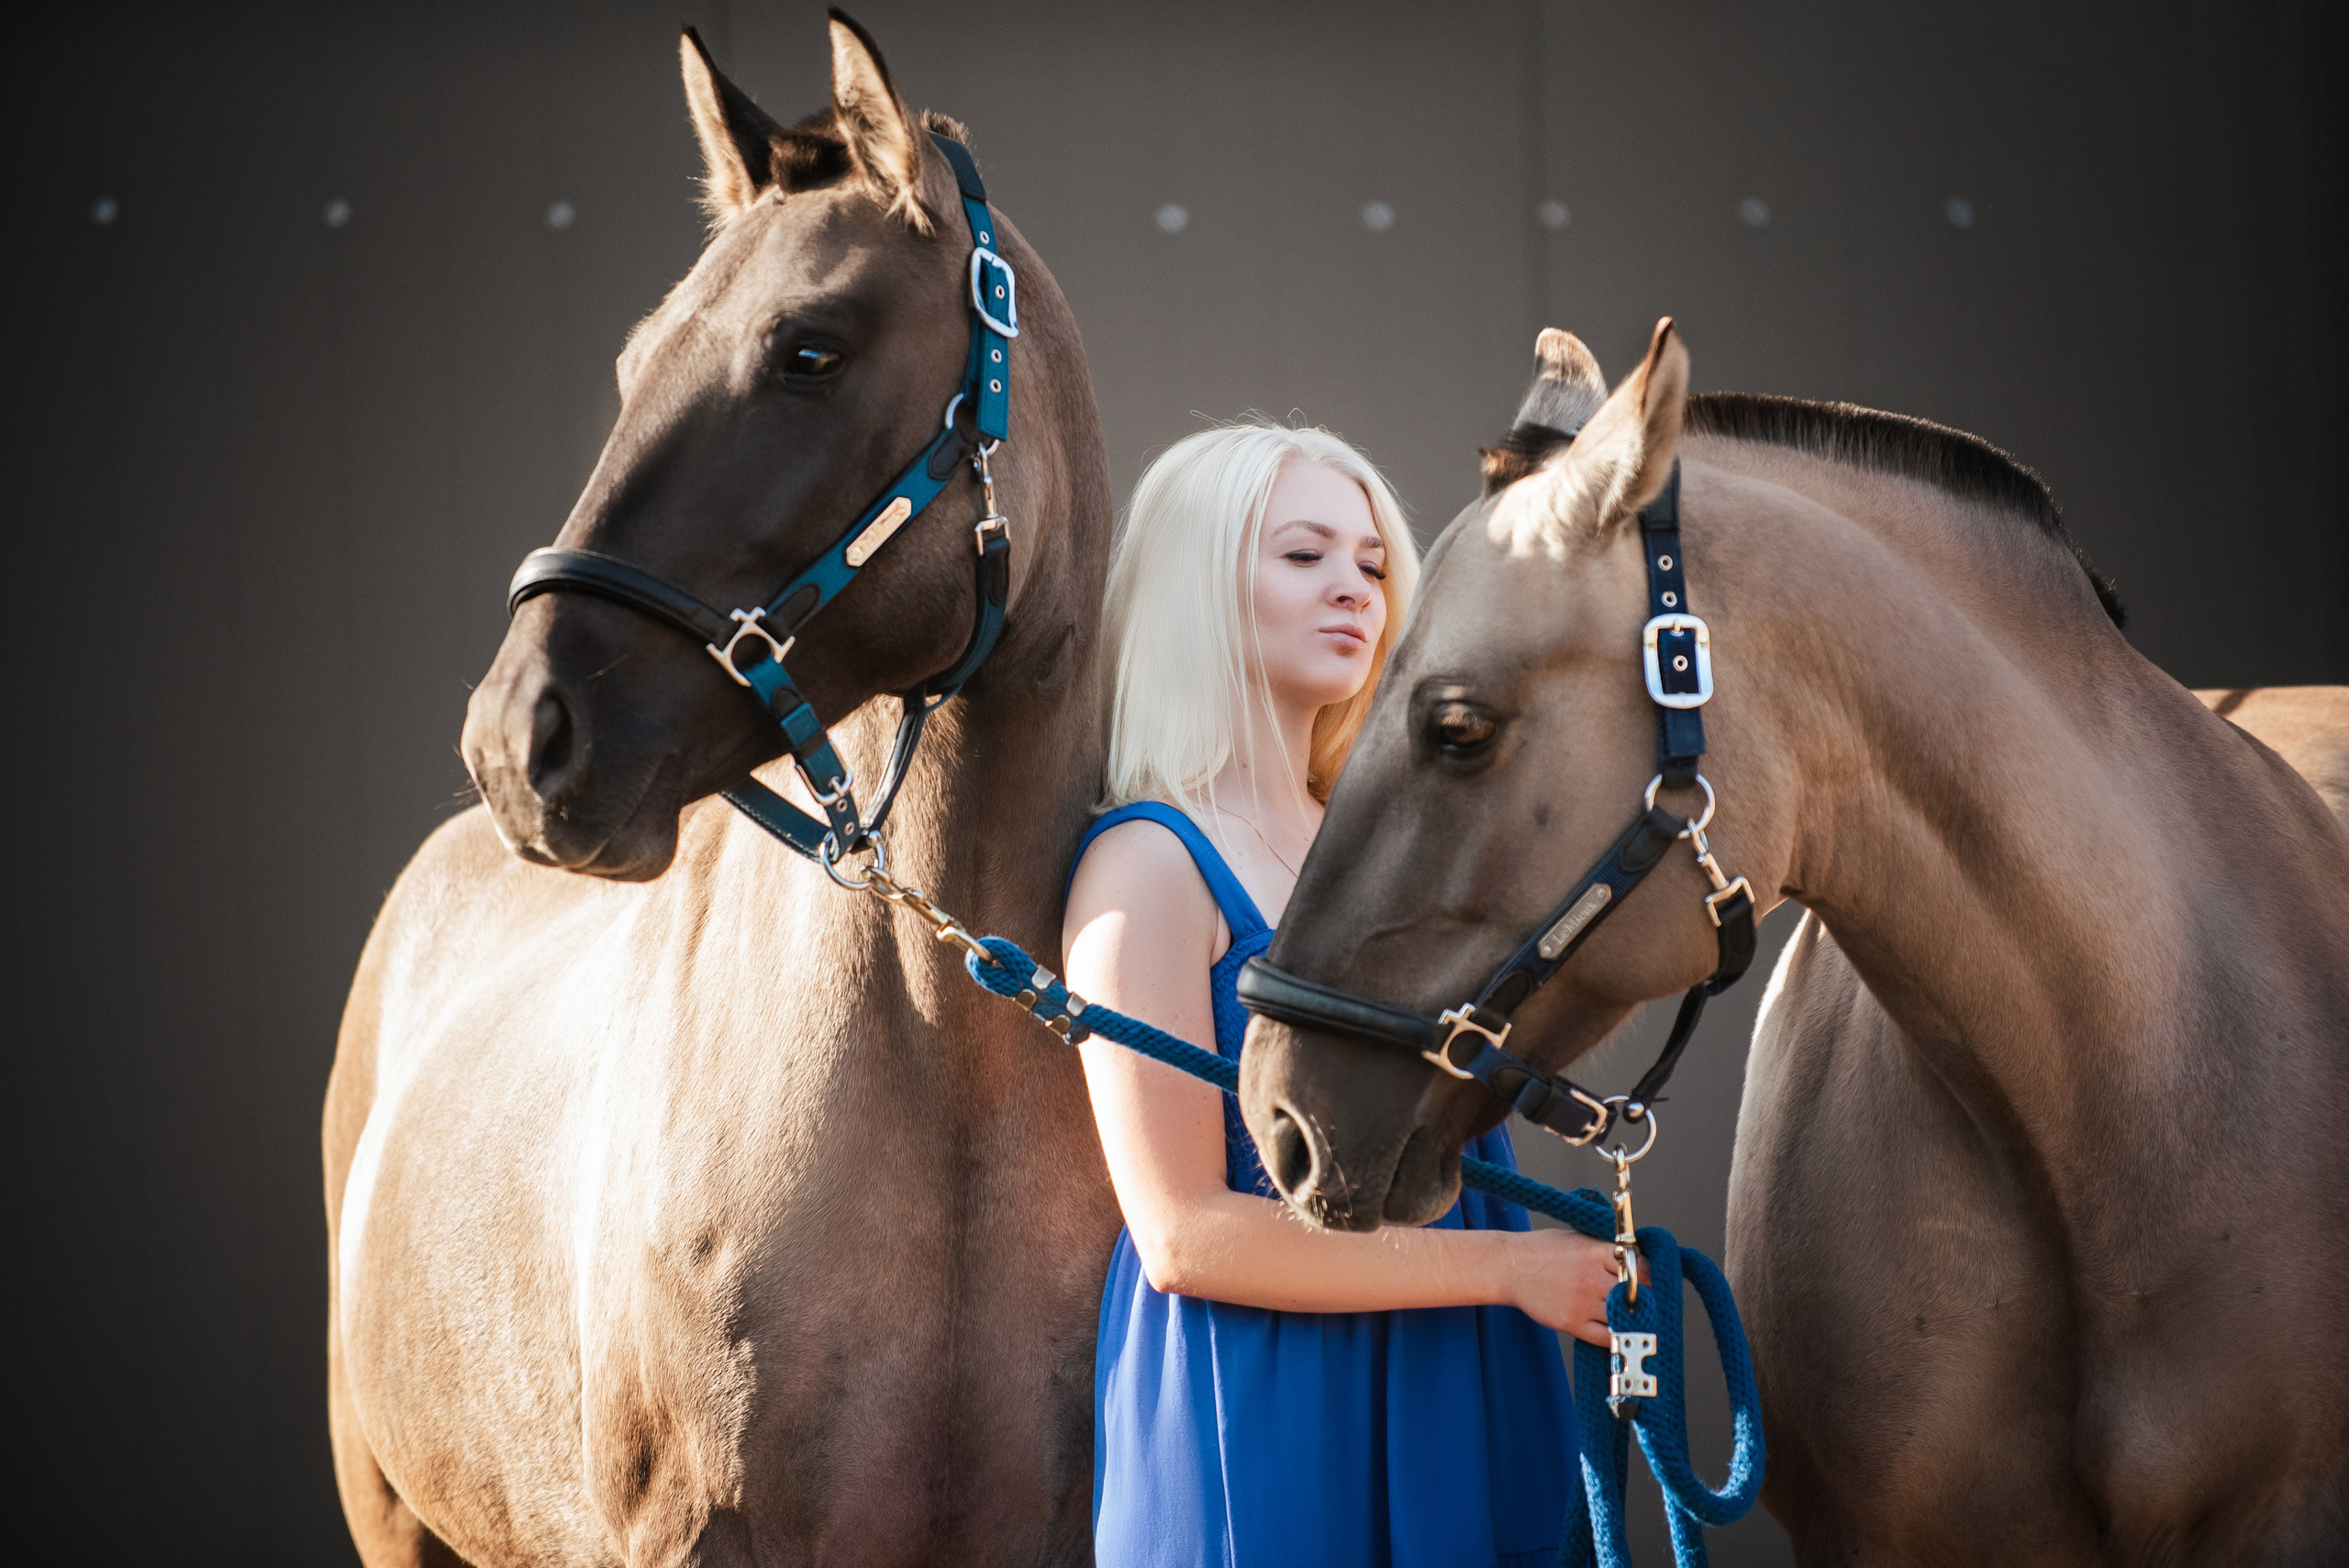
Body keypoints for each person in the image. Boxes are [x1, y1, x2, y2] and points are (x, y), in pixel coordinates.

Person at [1064, 423, 1622, 1567]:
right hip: (1267, 1394)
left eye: (1371, 564)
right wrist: (1510, 1270)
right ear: (1199, 583)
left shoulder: (1387, 858)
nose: (1353, 590)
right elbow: (1179, 1233)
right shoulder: (1145, 864)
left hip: (1458, 1368)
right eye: (1304, 555)